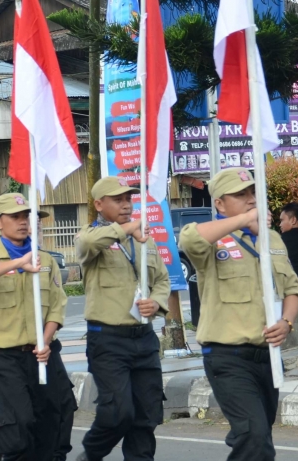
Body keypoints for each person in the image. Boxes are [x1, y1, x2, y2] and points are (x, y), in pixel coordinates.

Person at [179, 168, 298, 461]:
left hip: (267, 357)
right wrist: (244, 221)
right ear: (220, 203)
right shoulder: (213, 239)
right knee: (253, 436)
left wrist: (286, 322)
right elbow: (189, 240)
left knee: (259, 436)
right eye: (240, 195)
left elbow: (292, 290)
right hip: (228, 357)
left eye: (252, 193)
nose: (250, 200)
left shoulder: (271, 239)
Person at [0, 193, 69, 461]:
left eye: (27, 217)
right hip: (7, 357)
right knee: (18, 422)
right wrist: (18, 263)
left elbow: (57, 307)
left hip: (42, 353)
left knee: (51, 418)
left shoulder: (45, 261)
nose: (23, 222)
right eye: (16, 217)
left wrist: (45, 341)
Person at [75, 177, 171, 461]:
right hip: (108, 340)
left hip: (143, 339)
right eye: (118, 200)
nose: (126, 205)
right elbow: (88, 243)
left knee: (145, 417)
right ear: (98, 204)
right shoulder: (91, 238)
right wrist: (128, 229)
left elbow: (162, 280)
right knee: (118, 412)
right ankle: (91, 454)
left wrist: (156, 302)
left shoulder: (144, 240)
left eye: (128, 199)